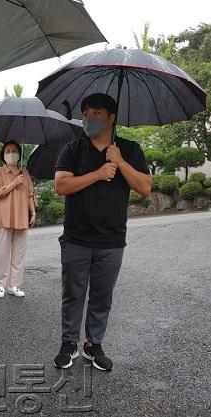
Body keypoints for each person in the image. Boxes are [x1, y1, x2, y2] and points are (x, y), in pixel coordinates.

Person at [53, 93, 152, 371]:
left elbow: (145, 187)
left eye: (96, 113)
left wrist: (120, 162)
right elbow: (61, 186)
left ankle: (93, 343)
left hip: (111, 239)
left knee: (101, 295)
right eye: (85, 113)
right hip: (76, 238)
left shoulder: (129, 149)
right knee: (72, 293)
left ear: (111, 118)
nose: (89, 118)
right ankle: (69, 342)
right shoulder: (73, 149)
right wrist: (97, 174)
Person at [0, 140, 36, 298]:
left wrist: (33, 212)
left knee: (19, 252)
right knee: (2, 252)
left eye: (14, 150)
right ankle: (1, 285)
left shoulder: (25, 172)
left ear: (19, 154)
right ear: (3, 154)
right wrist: (15, 183)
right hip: (4, 216)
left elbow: (30, 194)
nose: (11, 153)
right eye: (8, 151)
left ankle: (14, 285)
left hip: (21, 216)